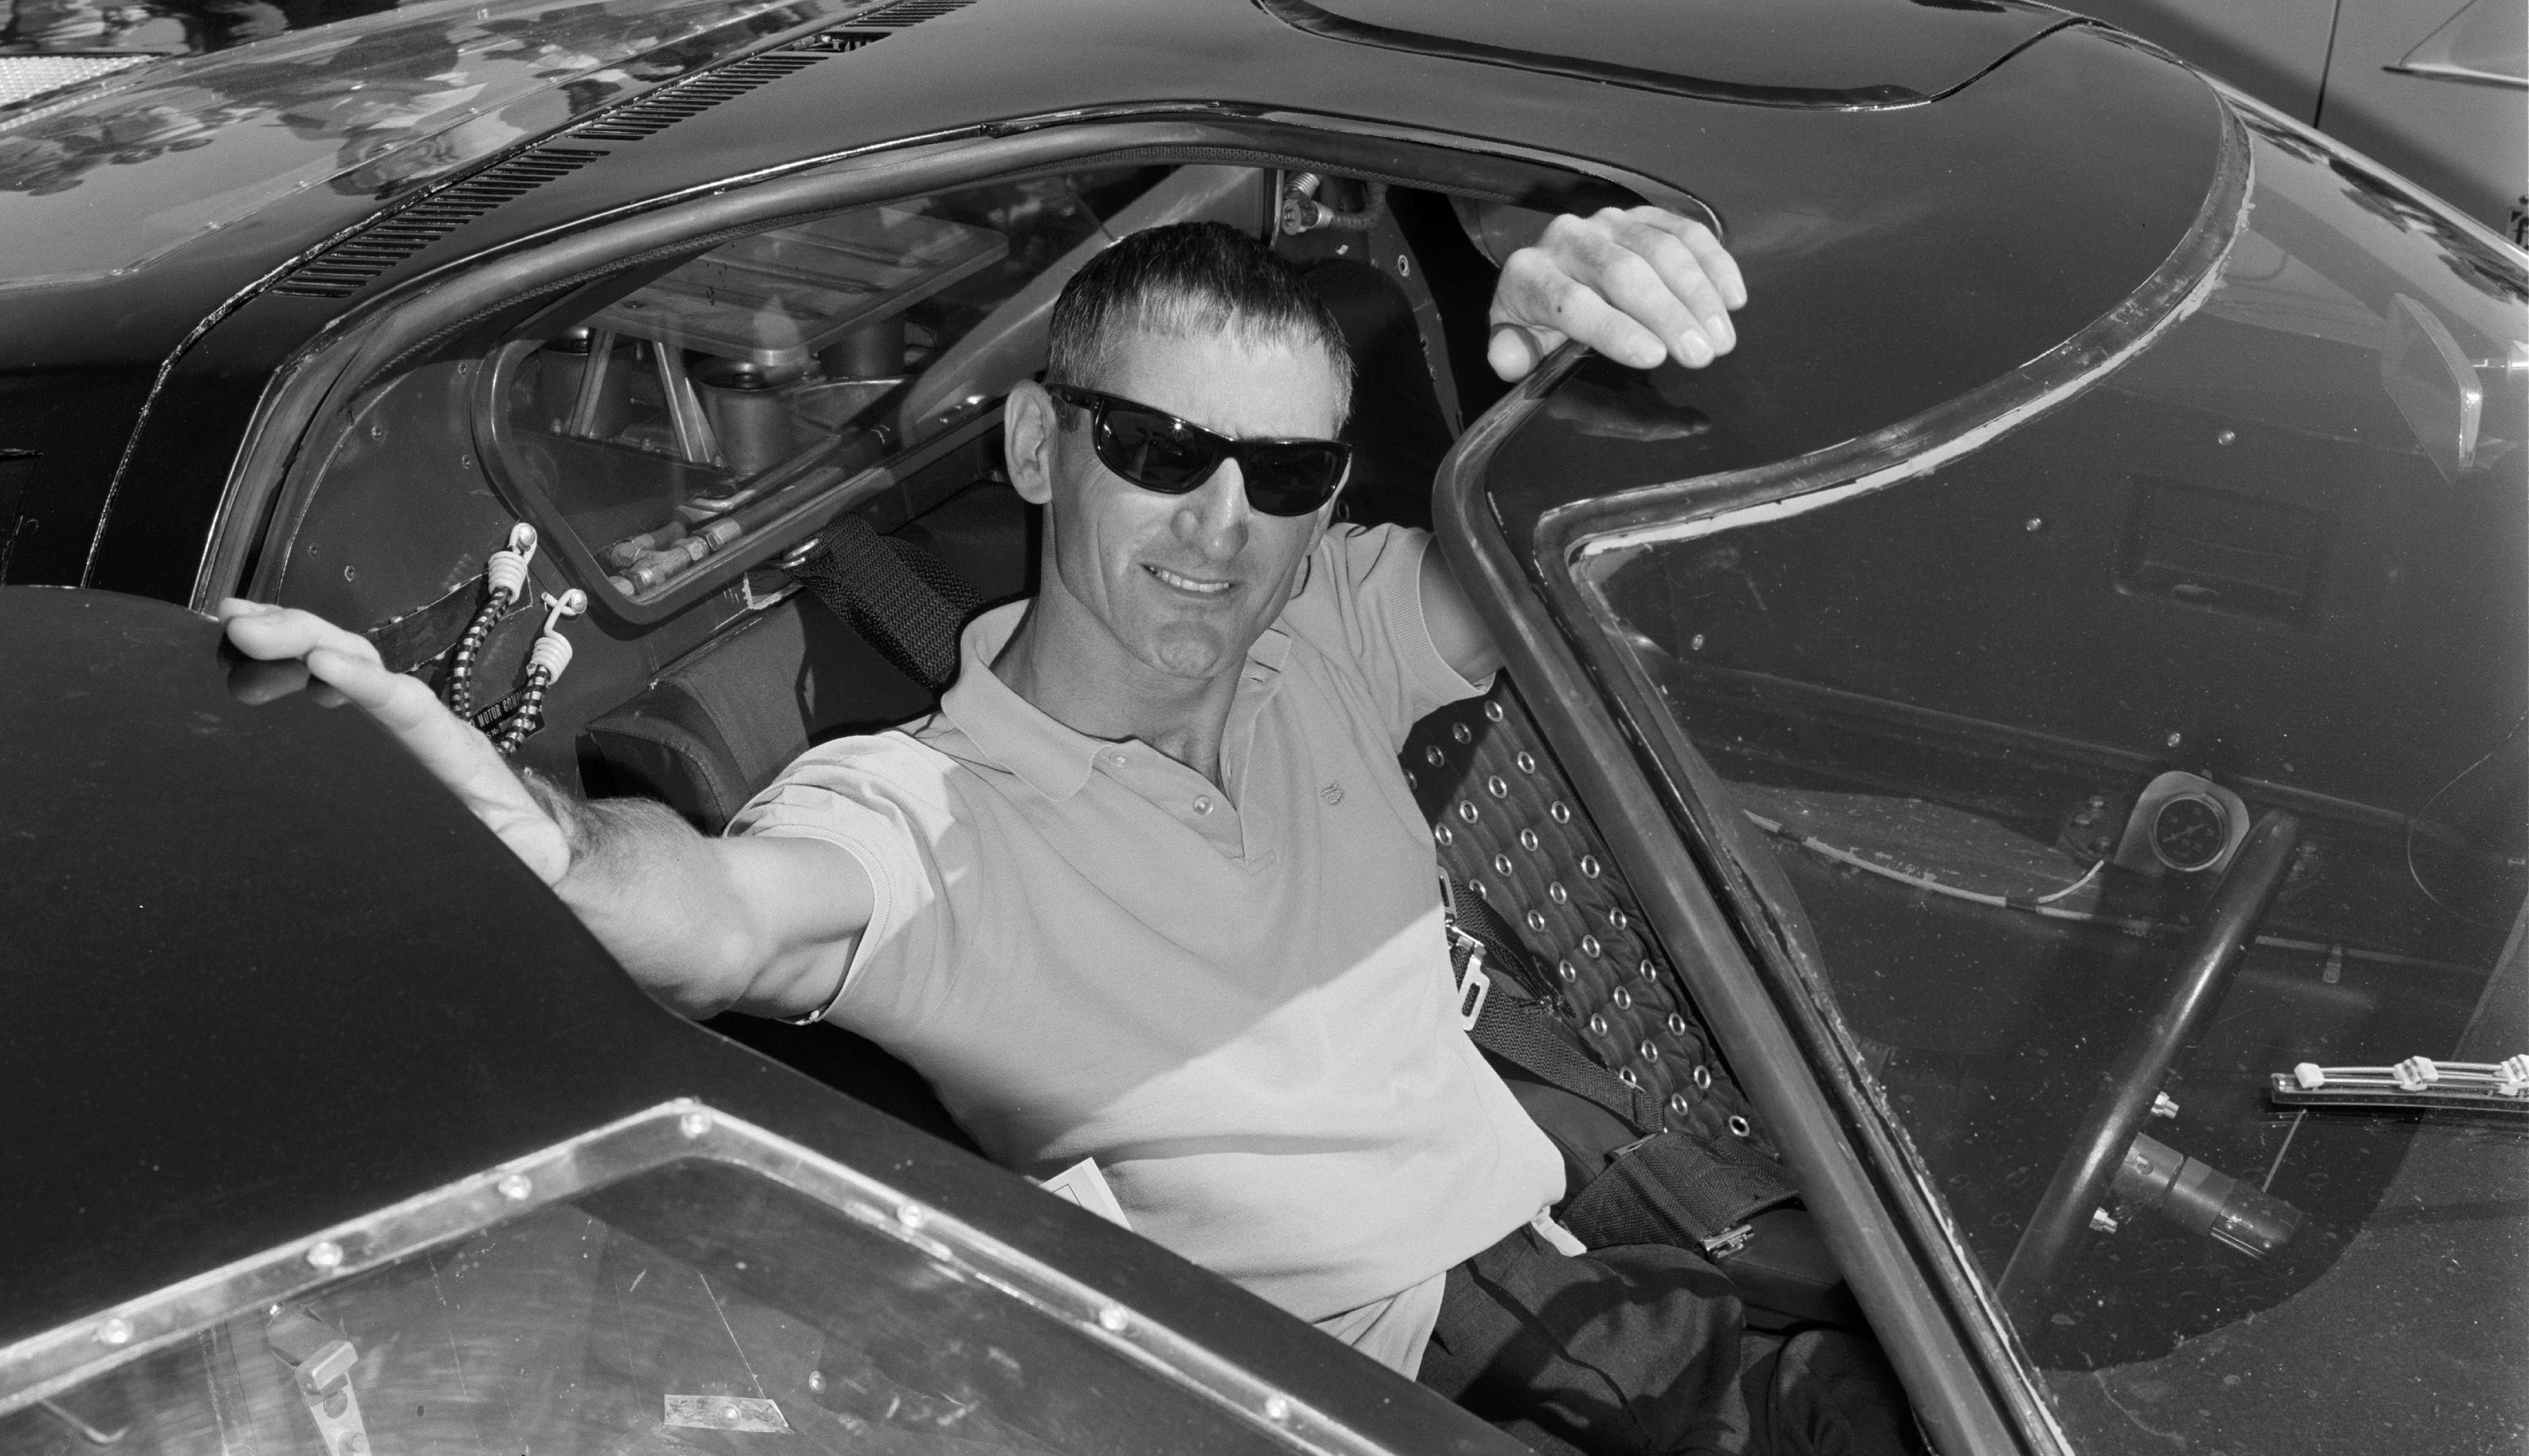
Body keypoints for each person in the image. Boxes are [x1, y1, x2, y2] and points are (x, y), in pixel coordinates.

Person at [225, 206, 1793, 1452]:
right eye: (1160, 453)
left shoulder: (1328, 622)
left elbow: (1569, 512)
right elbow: (719, 916)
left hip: (1613, 1264)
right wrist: (546, 849)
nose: (1218, 529)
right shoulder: (924, 810)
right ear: (1043, 447)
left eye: (1286, 470)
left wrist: (1600, 325)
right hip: (1393, 1389)